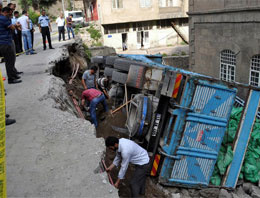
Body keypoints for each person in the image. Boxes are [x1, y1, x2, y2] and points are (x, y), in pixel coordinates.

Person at [0, 7, 22, 84]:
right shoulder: (4, 18)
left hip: (3, 42)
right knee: (9, 61)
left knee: (10, 60)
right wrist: (15, 25)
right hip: (5, 43)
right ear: (6, 12)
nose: (11, 15)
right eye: (10, 13)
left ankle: (13, 75)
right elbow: (12, 28)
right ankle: (11, 78)